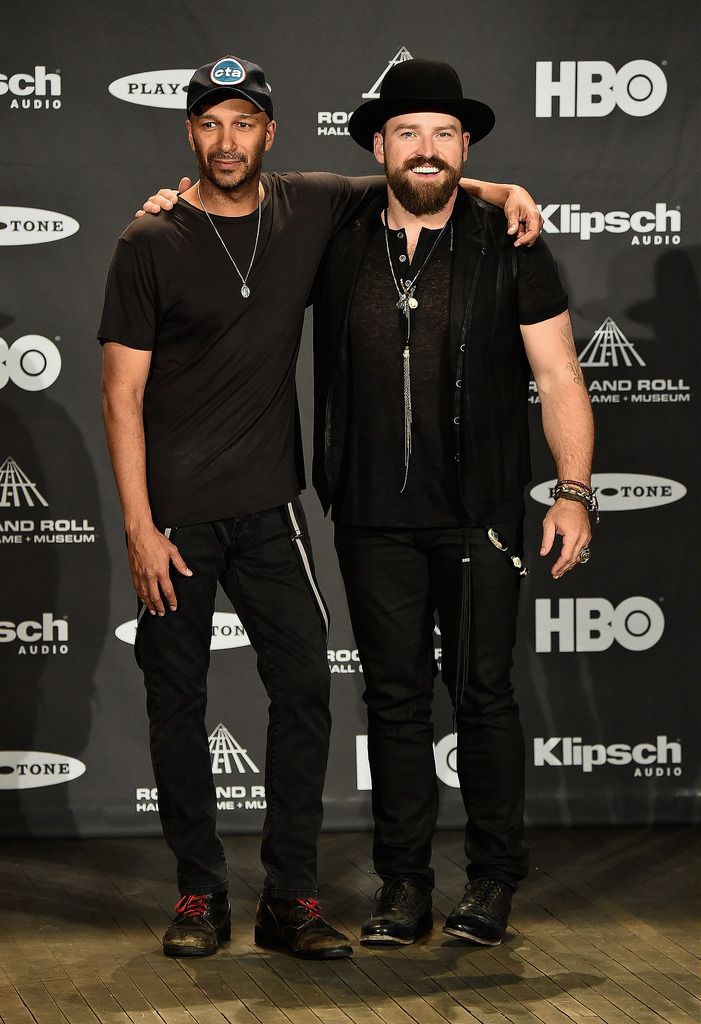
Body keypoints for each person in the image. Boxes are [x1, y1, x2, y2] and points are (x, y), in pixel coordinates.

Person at [100, 54, 543, 960]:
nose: (228, 140)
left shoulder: (307, 203)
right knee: (176, 701)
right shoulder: (148, 242)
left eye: (244, 122)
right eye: (210, 123)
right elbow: (118, 395)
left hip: (271, 510)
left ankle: (289, 899)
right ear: (189, 133)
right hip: (175, 520)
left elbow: (420, 172)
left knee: (304, 697)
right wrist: (141, 527)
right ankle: (198, 894)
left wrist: (506, 191)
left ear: (270, 131)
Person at [310, 58, 595, 948]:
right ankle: (403, 887)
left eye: (443, 134)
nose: (426, 150)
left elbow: (557, 375)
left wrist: (574, 492)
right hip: (369, 513)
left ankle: (492, 882)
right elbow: (232, 191)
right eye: (406, 132)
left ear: (465, 146)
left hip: (479, 514)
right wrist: (171, 199)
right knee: (393, 704)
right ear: (376, 146)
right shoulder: (332, 228)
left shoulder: (507, 240)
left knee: (483, 698)